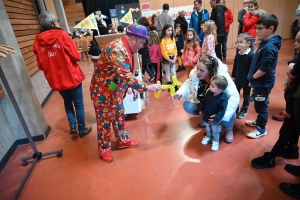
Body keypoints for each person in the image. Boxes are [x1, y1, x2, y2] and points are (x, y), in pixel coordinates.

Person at [90, 24, 162, 163]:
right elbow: (124, 75)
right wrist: (145, 87)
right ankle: (104, 149)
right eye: (141, 43)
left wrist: (132, 88)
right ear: (132, 39)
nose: (142, 47)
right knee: (104, 120)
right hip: (103, 91)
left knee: (118, 113)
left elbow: (123, 74)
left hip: (114, 88)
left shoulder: (128, 49)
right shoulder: (116, 50)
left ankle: (122, 139)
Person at [33, 11, 92, 138]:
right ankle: (81, 129)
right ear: (54, 21)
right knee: (79, 104)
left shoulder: (37, 42)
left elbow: (41, 66)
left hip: (57, 80)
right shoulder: (62, 35)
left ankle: (72, 125)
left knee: (67, 102)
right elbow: (76, 56)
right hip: (71, 76)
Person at [173, 55, 239, 143]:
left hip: (220, 107)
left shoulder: (222, 79)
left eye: (202, 70)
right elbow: (188, 84)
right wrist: (180, 93)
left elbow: (234, 97)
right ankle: (206, 118)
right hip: (208, 104)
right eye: (197, 68)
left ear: (210, 71)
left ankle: (228, 128)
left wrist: (221, 115)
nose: (198, 72)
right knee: (188, 106)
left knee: (229, 113)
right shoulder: (195, 74)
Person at [245, 14, 282, 139]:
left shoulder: (269, 46)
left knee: (261, 106)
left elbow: (264, 69)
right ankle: (259, 121)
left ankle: (261, 129)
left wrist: (252, 78)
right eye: (257, 28)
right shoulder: (265, 42)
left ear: (271, 28)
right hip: (258, 82)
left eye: (260, 28)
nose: (257, 31)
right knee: (258, 103)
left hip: (263, 83)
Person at [200, 75, 228, 151]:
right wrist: (202, 109)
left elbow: (222, 110)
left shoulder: (223, 98)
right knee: (208, 129)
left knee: (215, 131)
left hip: (215, 120)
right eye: (210, 85)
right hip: (206, 116)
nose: (210, 87)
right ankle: (208, 137)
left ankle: (216, 141)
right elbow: (205, 101)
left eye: (212, 86)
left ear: (220, 90)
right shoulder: (209, 92)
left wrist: (216, 120)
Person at [231, 33, 254, 119]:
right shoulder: (238, 54)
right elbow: (235, 66)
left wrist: (251, 80)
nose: (238, 44)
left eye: (241, 42)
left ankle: (244, 110)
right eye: (237, 42)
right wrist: (233, 76)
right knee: (235, 94)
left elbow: (252, 69)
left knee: (246, 96)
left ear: (248, 43)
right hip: (237, 79)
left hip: (246, 81)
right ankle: (235, 108)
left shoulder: (251, 55)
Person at [138, 17, 156, 82]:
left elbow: (142, 39)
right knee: (150, 63)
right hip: (149, 47)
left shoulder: (143, 29)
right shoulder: (149, 29)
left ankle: (152, 75)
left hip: (145, 48)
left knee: (145, 65)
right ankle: (153, 75)